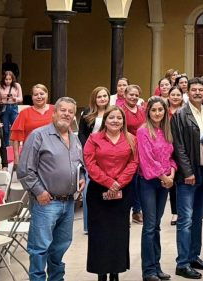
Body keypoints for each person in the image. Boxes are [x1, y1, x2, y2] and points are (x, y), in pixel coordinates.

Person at [17, 97, 84, 281]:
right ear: (54, 113)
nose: (67, 114)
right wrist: (39, 191)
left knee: (60, 246)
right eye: (63, 110)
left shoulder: (75, 139)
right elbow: (24, 170)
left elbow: (80, 166)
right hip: (46, 203)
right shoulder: (38, 135)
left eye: (71, 112)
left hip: (68, 203)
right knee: (39, 248)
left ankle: (56, 278)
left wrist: (82, 178)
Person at [84, 106, 139, 281]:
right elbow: (90, 163)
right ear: (104, 121)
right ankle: (101, 272)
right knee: (99, 234)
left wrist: (119, 183)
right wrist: (109, 182)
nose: (115, 121)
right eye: (111, 118)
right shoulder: (93, 139)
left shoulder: (131, 139)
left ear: (123, 121)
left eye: (119, 118)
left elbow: (134, 162)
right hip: (99, 191)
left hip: (123, 191)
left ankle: (115, 272)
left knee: (118, 233)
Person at [171, 77, 203, 279]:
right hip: (188, 174)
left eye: (200, 90)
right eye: (193, 89)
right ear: (187, 92)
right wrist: (187, 172)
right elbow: (178, 146)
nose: (197, 93)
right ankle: (182, 263)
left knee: (199, 217)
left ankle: (194, 256)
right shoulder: (180, 114)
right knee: (186, 220)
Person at [137, 97, 177, 281]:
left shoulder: (166, 131)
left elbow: (170, 157)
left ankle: (157, 266)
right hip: (149, 182)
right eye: (154, 110)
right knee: (149, 226)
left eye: (160, 110)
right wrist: (164, 177)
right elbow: (147, 160)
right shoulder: (143, 131)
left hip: (165, 182)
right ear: (148, 112)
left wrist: (172, 174)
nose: (157, 113)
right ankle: (148, 270)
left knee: (157, 227)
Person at [78, 86, 111, 234]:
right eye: (99, 96)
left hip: (107, 154)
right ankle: (88, 225)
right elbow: (82, 134)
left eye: (105, 96)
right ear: (94, 99)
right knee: (88, 190)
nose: (103, 99)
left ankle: (104, 222)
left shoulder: (112, 112)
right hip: (90, 154)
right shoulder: (87, 112)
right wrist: (88, 150)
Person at [120, 84, 147, 224]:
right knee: (130, 180)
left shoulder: (142, 110)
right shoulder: (120, 110)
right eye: (131, 94)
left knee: (140, 181)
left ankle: (137, 211)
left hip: (142, 148)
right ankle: (126, 210)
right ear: (125, 95)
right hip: (127, 149)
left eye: (136, 95)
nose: (134, 97)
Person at [10, 84, 55, 161]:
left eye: (42, 94)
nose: (39, 97)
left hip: (53, 155)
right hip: (30, 156)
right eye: (35, 94)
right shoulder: (24, 113)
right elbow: (16, 138)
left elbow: (66, 133)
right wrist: (16, 160)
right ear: (32, 97)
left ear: (47, 95)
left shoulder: (55, 110)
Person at [166, 87, 184, 226]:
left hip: (182, 149)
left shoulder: (185, 111)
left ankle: (182, 210)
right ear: (168, 96)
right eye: (173, 94)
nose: (176, 97)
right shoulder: (164, 111)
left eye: (178, 94)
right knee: (172, 182)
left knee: (181, 181)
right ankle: (175, 212)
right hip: (167, 149)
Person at [0, 70, 23, 147]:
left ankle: (17, 144)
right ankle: (6, 146)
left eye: (9, 79)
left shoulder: (17, 86)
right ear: (3, 79)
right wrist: (1, 98)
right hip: (4, 108)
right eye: (6, 79)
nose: (8, 81)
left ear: (12, 79)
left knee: (15, 127)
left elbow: (21, 98)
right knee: (6, 129)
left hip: (13, 107)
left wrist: (14, 98)